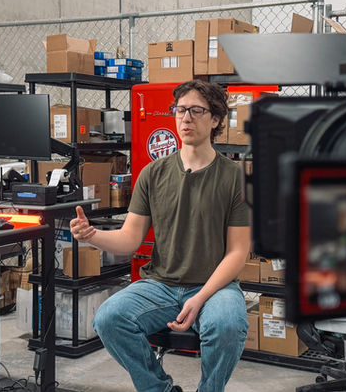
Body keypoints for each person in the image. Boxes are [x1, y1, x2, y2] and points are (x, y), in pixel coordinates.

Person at [70, 80, 251, 392]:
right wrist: (92, 235)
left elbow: (238, 252)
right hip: (161, 285)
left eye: (196, 111)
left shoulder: (235, 178)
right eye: (180, 110)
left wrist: (199, 298)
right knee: (109, 318)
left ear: (216, 119)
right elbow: (130, 239)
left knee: (227, 326)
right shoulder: (153, 174)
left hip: (214, 287)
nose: (186, 118)